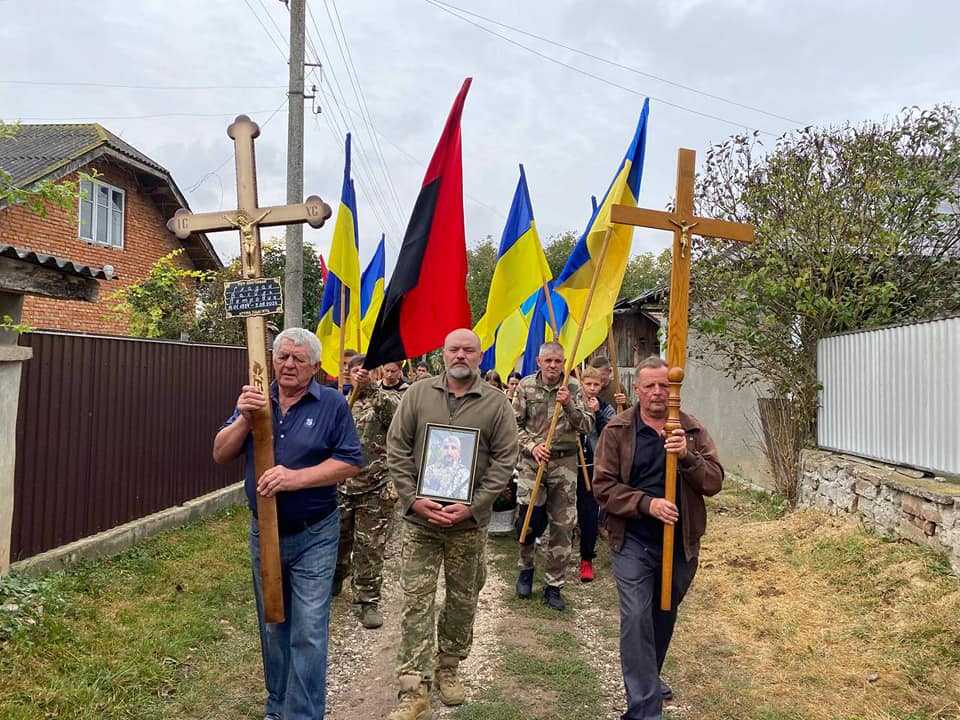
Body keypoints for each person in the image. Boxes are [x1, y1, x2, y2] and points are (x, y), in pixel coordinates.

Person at [213, 328, 363, 720]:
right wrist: (245, 420)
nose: (289, 365)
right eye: (282, 357)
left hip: (315, 532)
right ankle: (277, 708)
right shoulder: (256, 401)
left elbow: (349, 461)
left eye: (298, 359)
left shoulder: (331, 403)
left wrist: (295, 478)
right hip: (265, 532)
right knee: (274, 626)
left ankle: (303, 715)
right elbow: (219, 453)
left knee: (308, 632)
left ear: (315, 366)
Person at [385, 328, 518, 720]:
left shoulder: (495, 405)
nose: (460, 355)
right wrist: (413, 499)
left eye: (468, 350)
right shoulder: (417, 395)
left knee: (462, 602)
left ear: (480, 357)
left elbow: (503, 463)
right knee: (416, 602)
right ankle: (413, 688)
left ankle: (448, 667)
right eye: (453, 350)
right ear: (443, 355)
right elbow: (397, 449)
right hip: (420, 522)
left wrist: (474, 507)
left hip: (467, 526)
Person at [592, 356, 723, 720]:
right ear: (637, 389)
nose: (657, 392)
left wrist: (686, 457)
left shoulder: (691, 431)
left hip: (680, 542)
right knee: (636, 617)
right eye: (649, 385)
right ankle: (645, 710)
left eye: (664, 385)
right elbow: (602, 487)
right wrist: (646, 504)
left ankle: (648, 675)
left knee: (663, 613)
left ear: (675, 389)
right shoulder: (617, 430)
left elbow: (714, 482)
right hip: (632, 538)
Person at [512, 341, 594, 611]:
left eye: (557, 361)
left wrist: (569, 405)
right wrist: (532, 446)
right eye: (548, 361)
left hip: (565, 465)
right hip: (532, 463)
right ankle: (526, 570)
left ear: (563, 363)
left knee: (563, 525)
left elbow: (587, 425)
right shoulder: (525, 387)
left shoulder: (572, 388)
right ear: (539, 362)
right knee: (528, 520)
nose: (552, 366)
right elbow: (514, 425)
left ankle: (554, 584)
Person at [333, 354, 401, 629]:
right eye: (354, 371)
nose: (359, 374)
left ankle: (367, 599)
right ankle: (335, 576)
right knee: (337, 539)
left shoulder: (385, 400)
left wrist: (372, 388)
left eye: (366, 371)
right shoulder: (338, 402)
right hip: (340, 487)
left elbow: (396, 419)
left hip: (374, 487)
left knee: (370, 547)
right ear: (347, 374)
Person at [577, 365, 615, 582]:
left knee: (589, 514)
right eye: (588, 384)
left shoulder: (605, 407)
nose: (591, 389)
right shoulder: (572, 404)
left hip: (591, 467)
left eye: (596, 385)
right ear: (581, 384)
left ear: (601, 386)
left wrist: (598, 412)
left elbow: (610, 433)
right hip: (569, 464)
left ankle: (586, 559)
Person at [421, 434, 472, 501]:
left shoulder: (465, 474)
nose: (449, 452)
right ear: (441, 450)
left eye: (453, 448)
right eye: (445, 447)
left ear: (459, 452)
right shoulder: (429, 469)